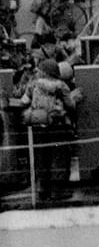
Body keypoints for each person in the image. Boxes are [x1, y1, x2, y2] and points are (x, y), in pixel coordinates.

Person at [17, 59, 81, 201]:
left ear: (43, 71)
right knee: (59, 157)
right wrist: (75, 98)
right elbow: (70, 105)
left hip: (38, 126)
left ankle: (42, 190)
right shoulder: (61, 85)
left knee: (41, 157)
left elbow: (23, 102)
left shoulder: (33, 84)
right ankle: (57, 191)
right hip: (58, 125)